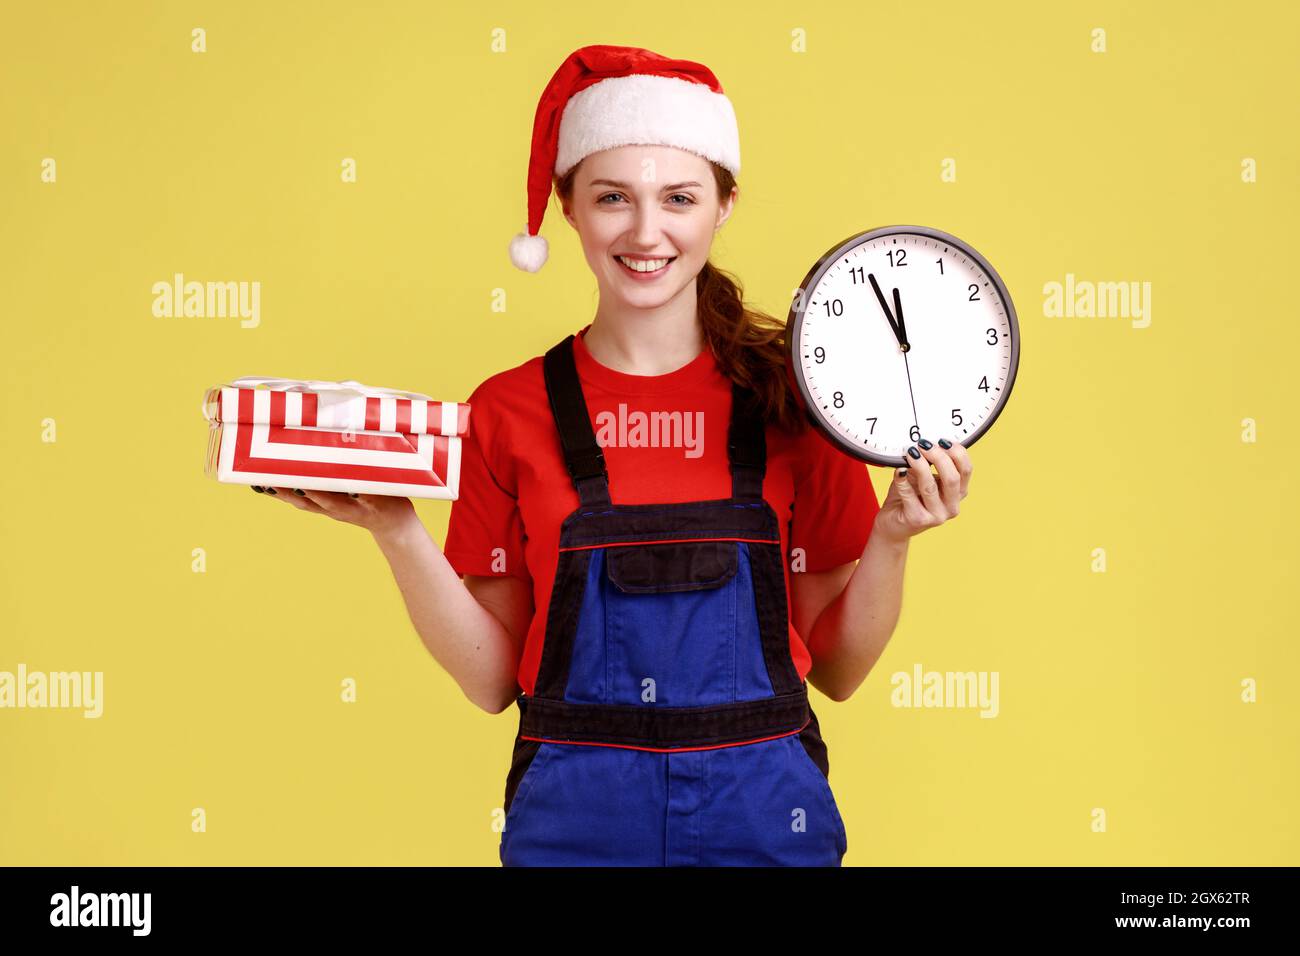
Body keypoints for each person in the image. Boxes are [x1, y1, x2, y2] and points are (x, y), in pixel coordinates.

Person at [256, 44, 973, 866]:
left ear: (724, 204)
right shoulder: (508, 410)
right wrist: (397, 531)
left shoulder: (799, 401)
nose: (645, 231)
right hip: (575, 837)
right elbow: (494, 681)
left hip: (769, 833)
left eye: (678, 197)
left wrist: (892, 539)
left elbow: (839, 672)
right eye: (611, 198)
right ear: (568, 207)